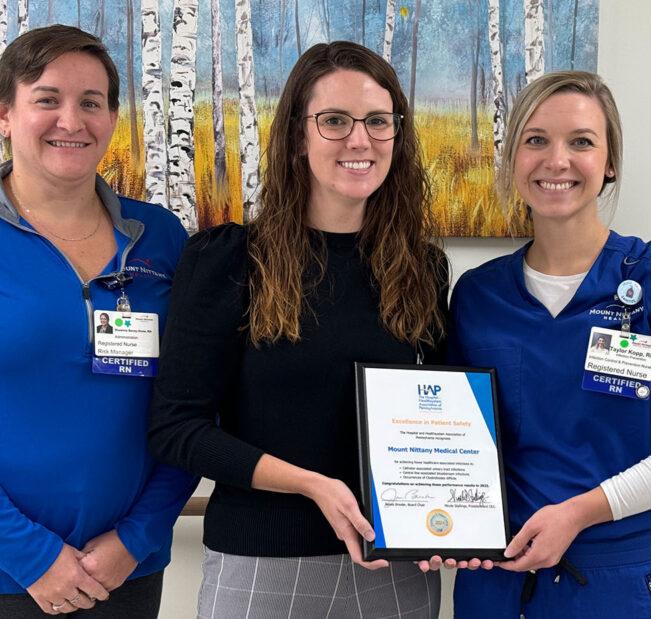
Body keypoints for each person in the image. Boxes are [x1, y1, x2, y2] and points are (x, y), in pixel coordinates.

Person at [148, 41, 447, 618]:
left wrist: (453, 517)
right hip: (263, 564)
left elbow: (436, 421)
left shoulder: (423, 270)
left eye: (378, 121)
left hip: (396, 571)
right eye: (334, 120)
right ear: (296, 136)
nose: (359, 139)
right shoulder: (230, 260)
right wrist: (312, 484)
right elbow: (176, 429)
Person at [432, 71, 651, 618]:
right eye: (536, 140)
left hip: (623, 582)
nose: (557, 160)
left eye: (581, 141)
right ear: (512, 159)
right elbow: (461, 441)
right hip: (499, 583)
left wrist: (578, 513)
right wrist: (437, 518)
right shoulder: (478, 296)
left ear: (610, 161)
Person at [0, 25, 196, 618]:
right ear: (0, 113)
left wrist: (136, 538)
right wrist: (31, 556)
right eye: (46, 99)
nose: (71, 121)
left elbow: (191, 406)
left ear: (112, 118)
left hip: (123, 574)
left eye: (91, 103)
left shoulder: (162, 237)